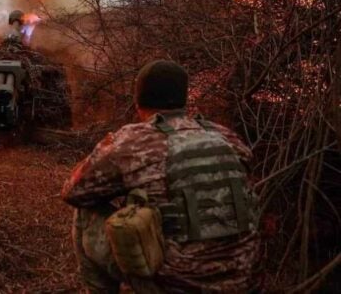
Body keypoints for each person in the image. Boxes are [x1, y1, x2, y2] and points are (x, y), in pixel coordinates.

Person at [62, 60, 260, 293]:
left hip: (174, 285)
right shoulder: (227, 137)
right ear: (184, 99)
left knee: (85, 213)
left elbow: (74, 192)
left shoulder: (133, 140)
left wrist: (102, 150)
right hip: (243, 282)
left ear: (138, 101)